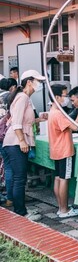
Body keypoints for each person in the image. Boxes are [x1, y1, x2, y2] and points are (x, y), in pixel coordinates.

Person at [2, 70, 48, 221]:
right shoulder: (22, 98)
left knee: (18, 178)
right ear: (29, 82)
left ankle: (20, 210)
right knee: (20, 178)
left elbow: (24, 121)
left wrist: (39, 119)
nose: (39, 85)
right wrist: (22, 141)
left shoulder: (23, 97)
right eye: (37, 81)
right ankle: (20, 212)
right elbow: (16, 124)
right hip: (15, 142)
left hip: (13, 142)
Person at [47, 84, 78, 218]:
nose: (67, 98)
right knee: (64, 179)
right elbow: (75, 127)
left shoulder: (52, 112)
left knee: (57, 178)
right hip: (64, 150)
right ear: (57, 97)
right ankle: (64, 209)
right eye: (65, 95)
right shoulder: (59, 114)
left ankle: (61, 207)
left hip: (56, 150)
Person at [0, 77, 18, 207]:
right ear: (11, 87)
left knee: (6, 166)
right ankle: (11, 196)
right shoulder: (12, 98)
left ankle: (7, 195)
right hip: (9, 136)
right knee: (12, 168)